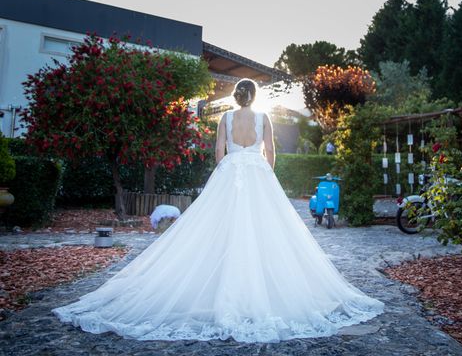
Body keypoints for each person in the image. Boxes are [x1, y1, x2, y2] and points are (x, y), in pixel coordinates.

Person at [52, 78, 384, 343]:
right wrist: (264, 172)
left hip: (232, 172)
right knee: (267, 230)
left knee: (219, 227)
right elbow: (271, 152)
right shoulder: (263, 117)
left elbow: (218, 153)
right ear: (253, 98)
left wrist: (228, 172)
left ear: (235, 98)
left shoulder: (224, 118)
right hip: (257, 173)